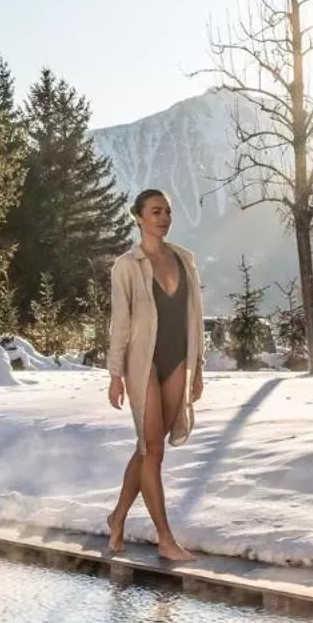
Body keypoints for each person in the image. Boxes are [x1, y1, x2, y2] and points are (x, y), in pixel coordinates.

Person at [106, 188, 205, 561]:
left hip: (179, 358)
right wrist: (115, 374)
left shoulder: (185, 259)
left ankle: (117, 517)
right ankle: (165, 539)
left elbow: (195, 316)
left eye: (167, 211)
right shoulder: (126, 266)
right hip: (141, 361)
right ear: (139, 217)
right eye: (155, 211)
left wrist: (199, 368)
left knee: (147, 448)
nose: (163, 218)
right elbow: (121, 323)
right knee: (154, 449)